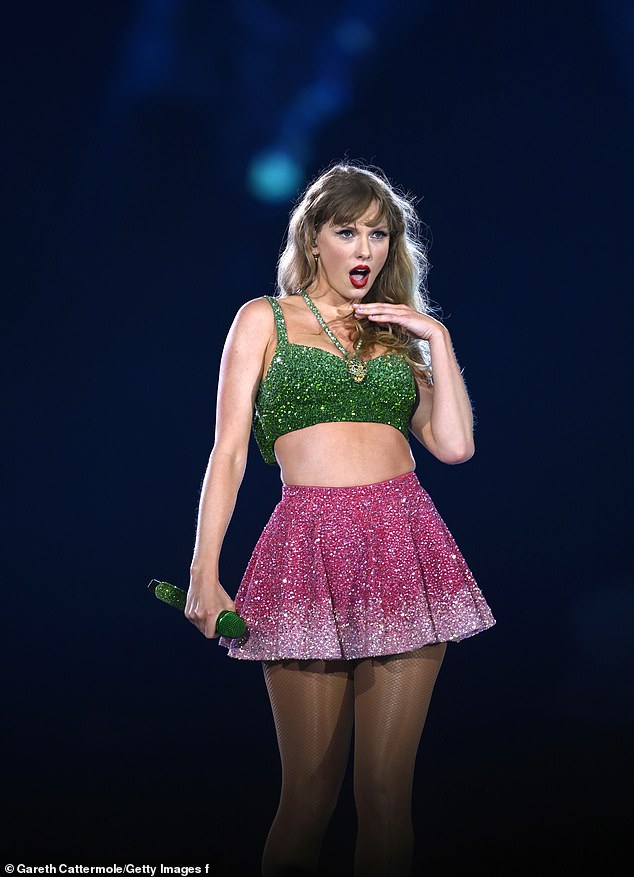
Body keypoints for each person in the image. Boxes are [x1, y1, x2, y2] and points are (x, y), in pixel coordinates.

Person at [185, 162, 495, 877]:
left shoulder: (396, 335)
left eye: (379, 234)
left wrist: (436, 339)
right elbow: (228, 452)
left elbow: (454, 445)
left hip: (403, 542)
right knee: (309, 796)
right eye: (347, 231)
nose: (365, 249)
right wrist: (204, 569)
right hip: (306, 547)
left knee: (386, 794)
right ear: (314, 238)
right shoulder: (263, 318)